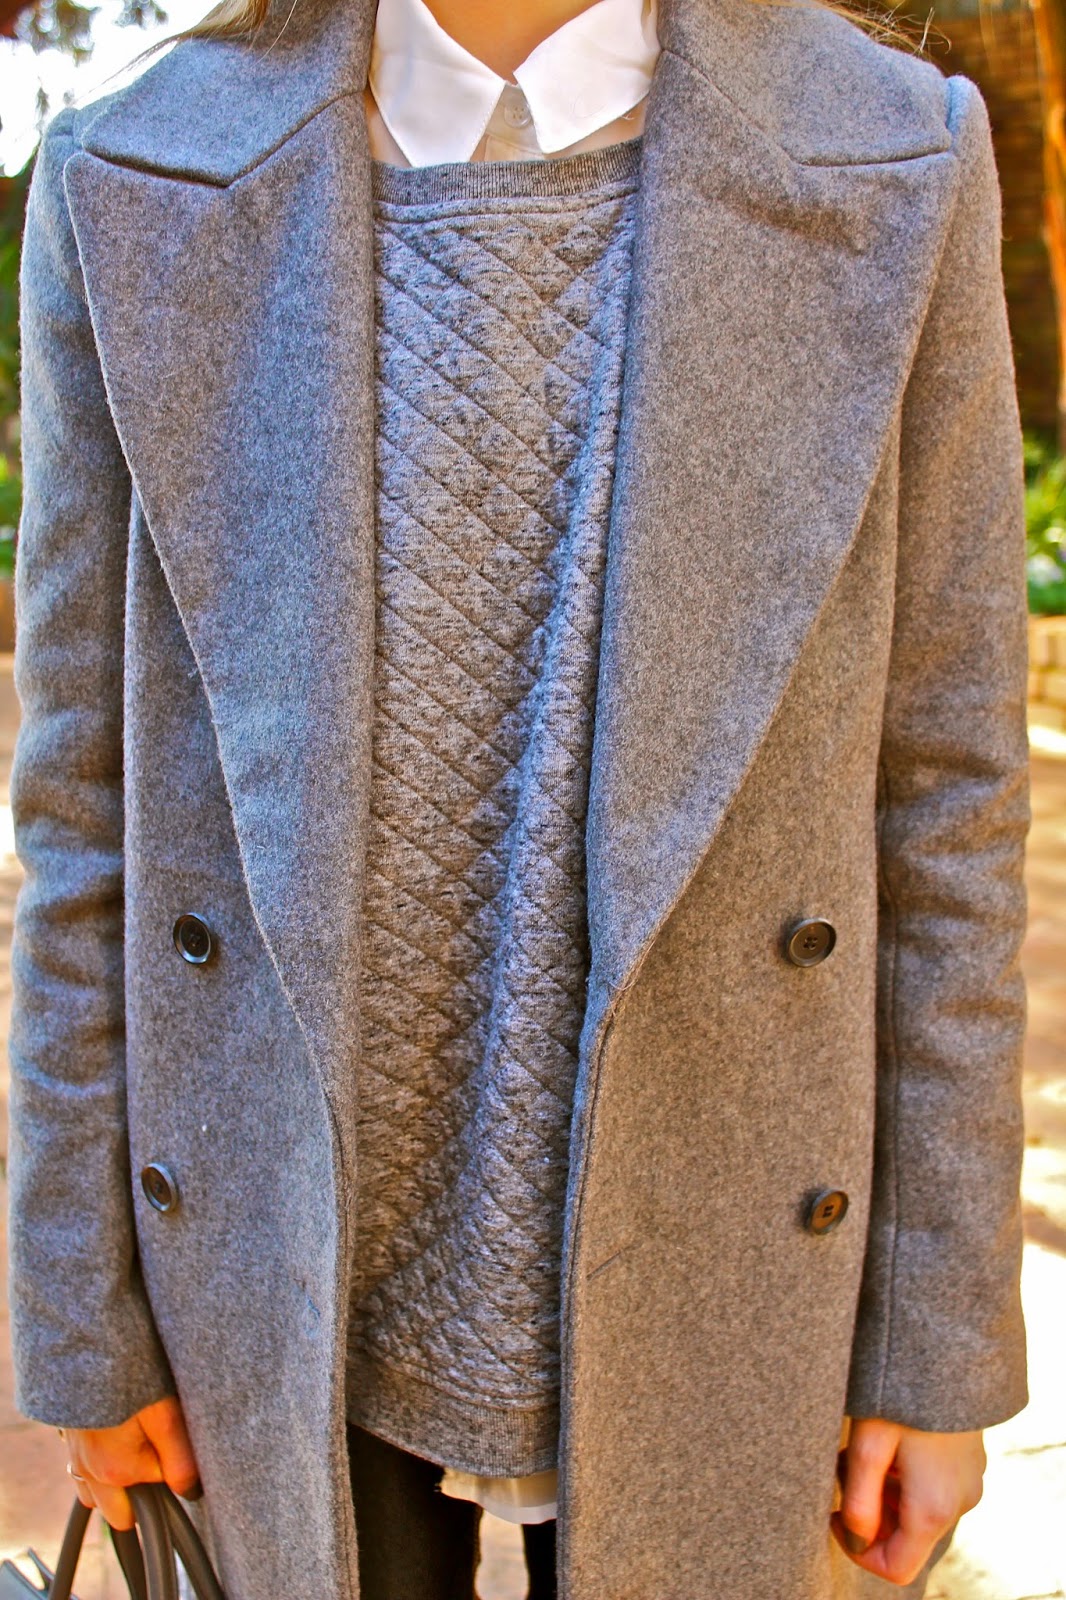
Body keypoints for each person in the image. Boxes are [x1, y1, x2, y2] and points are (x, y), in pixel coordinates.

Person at [5, 0, 1031, 1593]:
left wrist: (932, 1341)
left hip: (727, 1230)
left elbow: (945, 796)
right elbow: (82, 809)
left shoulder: (893, 152)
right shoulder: (133, 173)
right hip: (267, 1254)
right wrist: (82, 1318)